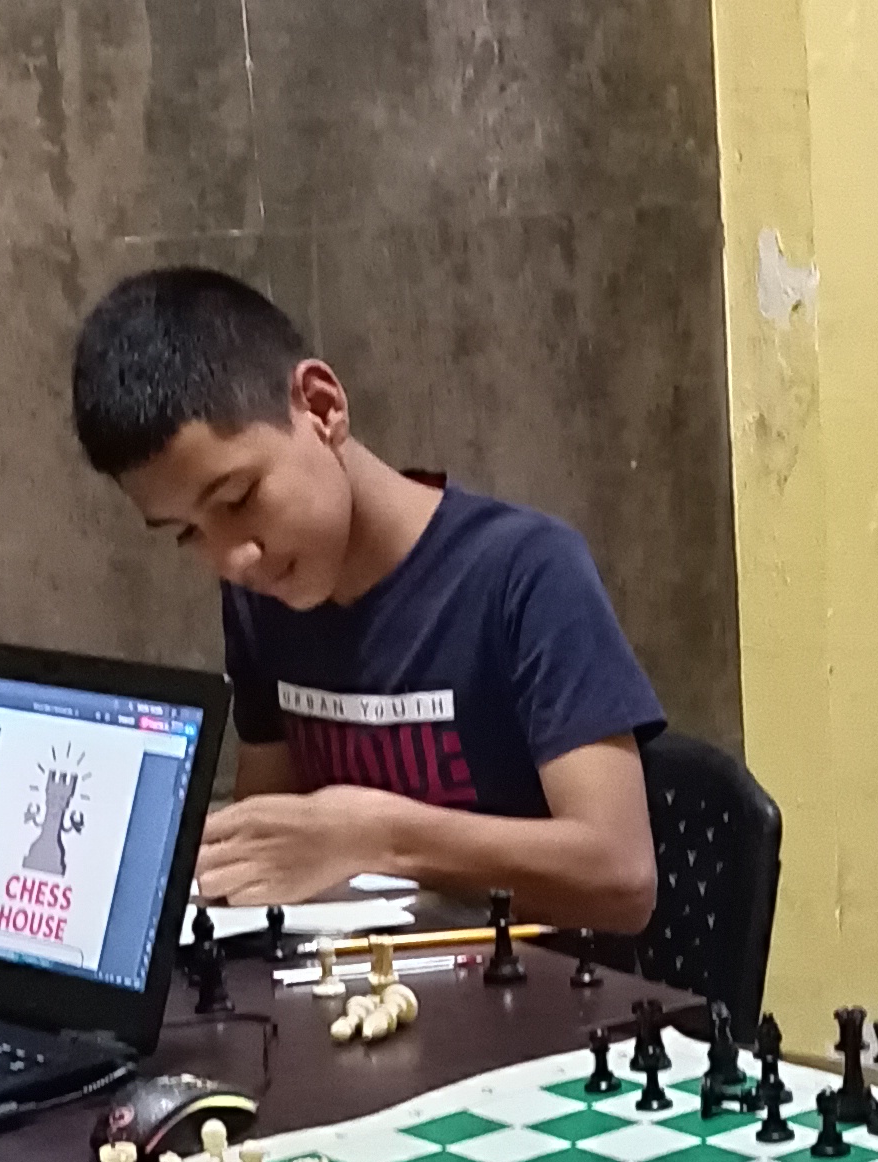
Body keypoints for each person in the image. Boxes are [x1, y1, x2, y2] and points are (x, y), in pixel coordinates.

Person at [69, 266, 663, 934]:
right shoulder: (260, 598)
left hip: (538, 983)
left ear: (322, 408)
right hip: (354, 979)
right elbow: (269, 849)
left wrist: (377, 836)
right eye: (188, 534)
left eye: (238, 499)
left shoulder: (524, 572)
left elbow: (623, 880)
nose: (233, 558)